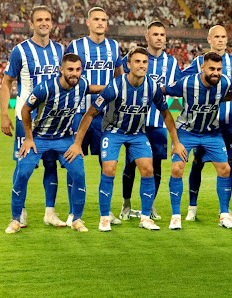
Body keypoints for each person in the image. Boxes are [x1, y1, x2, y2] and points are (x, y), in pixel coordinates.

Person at [65, 47, 186, 231]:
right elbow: (90, 113)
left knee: (148, 169)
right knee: (109, 169)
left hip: (137, 133)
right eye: (137, 62)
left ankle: (146, 217)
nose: (142, 65)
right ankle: (104, 218)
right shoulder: (115, 86)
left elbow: (166, 114)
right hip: (113, 132)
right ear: (128, 65)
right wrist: (77, 143)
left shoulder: (152, 87)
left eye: (145, 62)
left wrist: (176, 143)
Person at [5, 53, 105, 233]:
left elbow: (94, 89)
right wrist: (28, 138)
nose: (75, 73)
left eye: (78, 70)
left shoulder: (81, 85)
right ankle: (15, 219)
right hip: (39, 138)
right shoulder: (45, 88)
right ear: (61, 70)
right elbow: (25, 110)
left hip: (64, 139)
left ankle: (77, 219)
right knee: (23, 172)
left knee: (79, 173)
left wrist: (114, 86)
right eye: (70, 70)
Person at [182, 25, 232, 222]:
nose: (220, 40)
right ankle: (192, 206)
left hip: (226, 122)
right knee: (197, 163)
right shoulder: (199, 61)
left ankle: (225, 209)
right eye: (216, 36)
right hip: (203, 123)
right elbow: (183, 79)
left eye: (223, 37)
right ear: (209, 39)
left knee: (228, 165)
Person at [0, 5, 65, 229]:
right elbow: (7, 82)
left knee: (51, 164)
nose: (44, 23)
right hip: (25, 117)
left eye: (47, 19)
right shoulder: (20, 50)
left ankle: (50, 212)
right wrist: (4, 115)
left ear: (52, 23)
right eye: (39, 20)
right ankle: (19, 213)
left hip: (52, 118)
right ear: (31, 24)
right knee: (23, 167)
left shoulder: (59, 50)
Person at [163, 51, 232, 230]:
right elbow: (164, 91)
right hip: (186, 132)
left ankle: (224, 215)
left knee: (225, 169)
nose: (216, 72)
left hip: (211, 134)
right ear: (202, 68)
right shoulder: (187, 83)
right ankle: (175, 216)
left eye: (219, 69)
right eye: (212, 68)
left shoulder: (224, 82)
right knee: (177, 168)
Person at [65, 6, 124, 226]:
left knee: (107, 164)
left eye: (103, 19)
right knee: (74, 163)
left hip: (106, 116)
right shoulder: (76, 46)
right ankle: (73, 212)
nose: (100, 23)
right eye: (96, 19)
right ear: (88, 23)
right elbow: (70, 76)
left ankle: (105, 212)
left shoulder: (114, 46)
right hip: (79, 113)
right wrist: (104, 89)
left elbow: (119, 76)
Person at [119, 21, 183, 221]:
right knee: (131, 165)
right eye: (155, 34)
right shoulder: (135, 58)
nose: (159, 38)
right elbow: (120, 80)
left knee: (155, 166)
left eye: (162, 35)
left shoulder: (172, 63)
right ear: (147, 37)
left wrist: (173, 120)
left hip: (158, 124)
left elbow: (176, 95)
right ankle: (126, 203)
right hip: (135, 123)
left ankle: (151, 204)